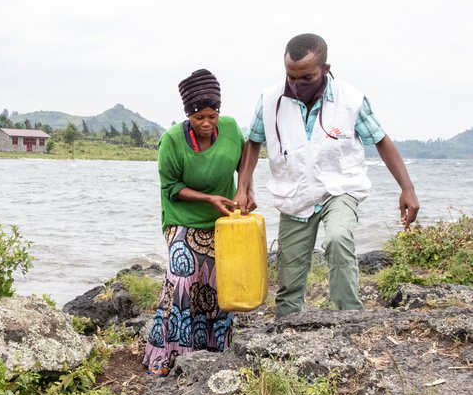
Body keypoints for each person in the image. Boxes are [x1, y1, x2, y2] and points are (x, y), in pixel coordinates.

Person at [236, 33, 420, 319]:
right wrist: (243, 186)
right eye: (290, 77)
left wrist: (407, 188)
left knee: (337, 237)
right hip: (294, 193)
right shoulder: (269, 99)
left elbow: (381, 141)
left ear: (326, 69)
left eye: (306, 78)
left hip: (340, 188)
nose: (296, 86)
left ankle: (349, 318)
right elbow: (253, 141)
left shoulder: (351, 100)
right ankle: (289, 326)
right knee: (290, 271)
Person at [142, 69, 253, 376]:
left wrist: (245, 190)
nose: (206, 123)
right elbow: (171, 188)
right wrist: (209, 199)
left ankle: (214, 351)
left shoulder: (230, 129)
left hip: (223, 223)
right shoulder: (172, 141)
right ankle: (166, 356)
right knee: (182, 280)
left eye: (212, 116)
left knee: (218, 284)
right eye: (199, 117)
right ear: (187, 114)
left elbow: (245, 160)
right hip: (182, 220)